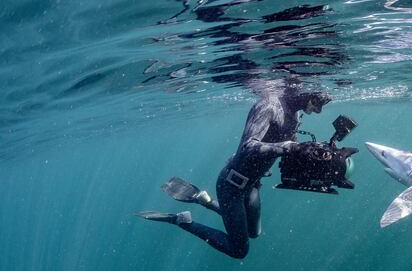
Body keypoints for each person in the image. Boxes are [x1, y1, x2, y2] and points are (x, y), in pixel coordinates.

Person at [136, 83, 331, 258]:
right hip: (232, 186)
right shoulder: (269, 106)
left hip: (253, 185)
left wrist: (316, 152)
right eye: (317, 102)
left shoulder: (294, 114)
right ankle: (181, 221)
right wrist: (290, 147)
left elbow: (288, 145)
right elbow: (248, 146)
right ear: (305, 91)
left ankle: (205, 200)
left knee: (254, 233)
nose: (318, 111)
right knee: (239, 250)